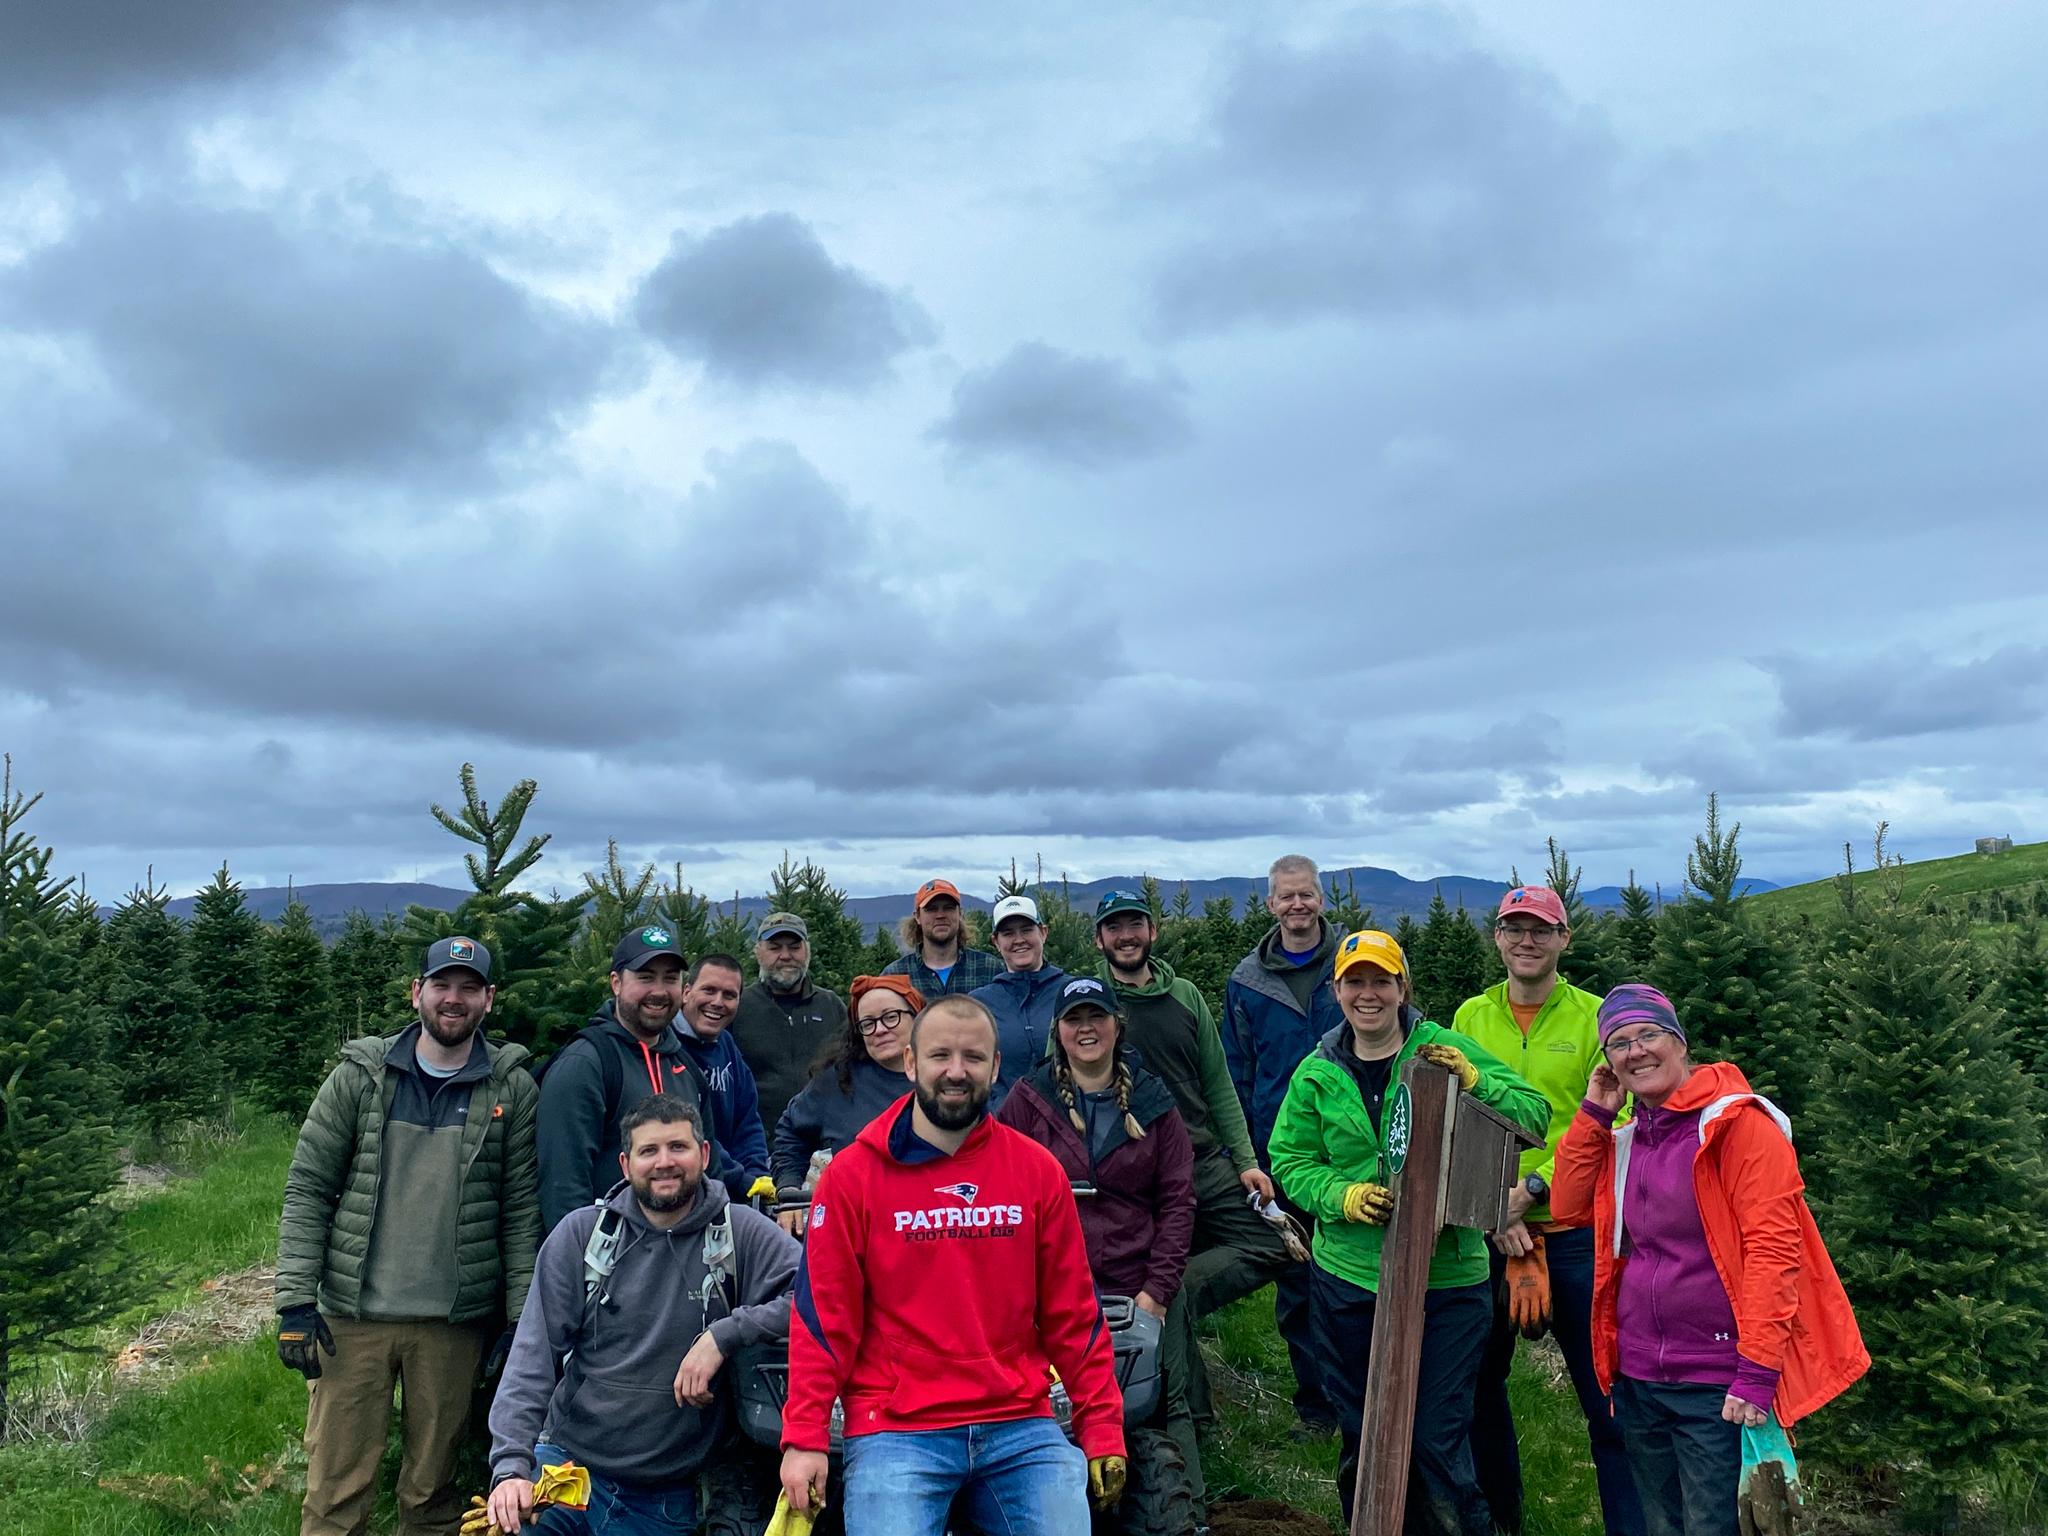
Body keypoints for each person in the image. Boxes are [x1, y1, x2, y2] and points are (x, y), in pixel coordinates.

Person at [779, 994, 1127, 1535]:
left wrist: (1101, 1425)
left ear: (995, 1067)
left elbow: (1075, 1314)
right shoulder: (851, 1178)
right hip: (895, 1430)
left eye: (972, 1057)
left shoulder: (1036, 1172)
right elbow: (824, 1319)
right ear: (912, 1063)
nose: (956, 1072)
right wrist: (804, 1438)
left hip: (1019, 1424)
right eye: (940, 1056)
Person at [1552, 986, 1868, 1536]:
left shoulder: (1738, 1126)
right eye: (1618, 1043)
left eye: (1648, 1035)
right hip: (1638, 1374)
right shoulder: (1627, 1136)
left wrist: (1757, 1371)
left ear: (1679, 1043)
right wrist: (1594, 1111)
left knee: (1713, 1525)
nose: (1635, 1052)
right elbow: (1567, 1203)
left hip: (1715, 1382)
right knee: (1661, 1523)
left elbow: (1774, 1251)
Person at [1268, 929, 1548, 1532]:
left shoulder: (1442, 1048)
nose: (1368, 994)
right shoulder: (1317, 1072)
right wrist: (1340, 1196)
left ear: (1402, 987)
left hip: (1446, 1283)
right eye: (1355, 982)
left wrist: (1477, 1081)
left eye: (1381, 981)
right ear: (1337, 991)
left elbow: (1533, 1115)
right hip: (1350, 1281)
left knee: (1434, 1441)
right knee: (1363, 1435)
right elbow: (1289, 1160)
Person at [276, 936, 540, 1536]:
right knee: (335, 1493)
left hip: (452, 1327)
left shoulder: (511, 1088)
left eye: (469, 988)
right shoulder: (360, 1078)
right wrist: (294, 1301)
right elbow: (307, 1188)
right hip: (352, 1321)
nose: (454, 999)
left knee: (431, 1495)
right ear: (417, 992)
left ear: (489, 999)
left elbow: (521, 1212)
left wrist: (521, 1323)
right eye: (441, 985)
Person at [484, 1094, 800, 1536]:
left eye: (678, 1147)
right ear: (625, 1163)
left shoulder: (740, 1232)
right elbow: (531, 1360)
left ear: (704, 1155)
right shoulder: (582, 1235)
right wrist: (511, 1469)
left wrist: (724, 1335)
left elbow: (819, 1295)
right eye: (649, 1151)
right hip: (566, 1472)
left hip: (669, 1495)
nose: (664, 1162)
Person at [1453, 886, 1644, 1536]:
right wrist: (1490, 1207)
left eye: (1541, 929)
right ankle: (1501, 1522)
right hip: (1487, 1236)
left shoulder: (1596, 1019)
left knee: (1607, 1399)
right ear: (1499, 938)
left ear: (1565, 939)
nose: (1526, 941)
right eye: (1515, 929)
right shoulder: (1470, 1018)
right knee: (1479, 1392)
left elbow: (1611, 1120)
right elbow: (1456, 1116)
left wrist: (1530, 1191)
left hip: (1574, 1235)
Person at [995, 976, 1204, 1504]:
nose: (1086, 1028)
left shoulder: (1155, 1102)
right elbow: (998, 1187)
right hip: (1048, 1287)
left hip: (1136, 1285)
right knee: (1041, 1402)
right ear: (1058, 1031)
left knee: (1162, 1400)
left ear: (1116, 1025)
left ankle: (1188, 1510)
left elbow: (1178, 1201)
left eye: (1097, 1017)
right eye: (1073, 1019)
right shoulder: (1027, 1101)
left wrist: (1157, 1292)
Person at [1223, 854, 1347, 1435]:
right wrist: (1251, 1155)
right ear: (1270, 904)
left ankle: (1369, 1394)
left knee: (1357, 1278)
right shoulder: (1247, 982)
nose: (1297, 906)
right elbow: (1237, 1073)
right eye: (1286, 897)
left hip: (1351, 1149)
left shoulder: (1355, 962)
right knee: (1297, 1283)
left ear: (1322, 898)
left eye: (1307, 895)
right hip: (1283, 1152)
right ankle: (1317, 1406)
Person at [537, 925, 717, 1233]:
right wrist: (584, 1265)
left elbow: (710, 1171)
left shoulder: (686, 1069)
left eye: (670, 978)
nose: (659, 991)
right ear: (616, 983)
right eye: (645, 977)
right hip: (608, 1264)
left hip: (683, 1261)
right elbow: (563, 1185)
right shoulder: (585, 1065)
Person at [770, 974, 924, 1229]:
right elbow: (790, 1133)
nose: (880, 1029)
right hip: (857, 1229)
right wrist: (789, 1191)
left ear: (917, 1016)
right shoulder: (838, 1081)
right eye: (868, 1023)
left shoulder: (944, 1077)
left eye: (890, 1017)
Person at [730, 912, 847, 1144]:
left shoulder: (831, 1006)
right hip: (759, 1147)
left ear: (807, 952)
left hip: (825, 1144)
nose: (785, 956)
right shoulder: (739, 1007)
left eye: (794, 947)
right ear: (758, 952)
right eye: (774, 948)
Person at [672, 953, 774, 1203]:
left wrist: (758, 1174)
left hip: (733, 1192)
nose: (718, 1002)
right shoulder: (667, 1047)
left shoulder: (726, 1045)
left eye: (729, 995)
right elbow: (688, 1132)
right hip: (686, 1194)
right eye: (709, 990)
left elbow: (747, 1119)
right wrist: (741, 1180)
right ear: (686, 992)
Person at [970, 894, 1067, 1106]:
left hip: (1070, 1128)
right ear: (996, 941)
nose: (1019, 939)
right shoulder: (979, 1004)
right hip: (1004, 1129)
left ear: (1043, 932)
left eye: (1026, 930)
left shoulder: (1071, 992)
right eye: (1008, 933)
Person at [883, 877, 1002, 998]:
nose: (940, 915)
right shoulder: (895, 976)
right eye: (931, 909)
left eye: (948, 908)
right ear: (917, 916)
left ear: (960, 914)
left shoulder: (990, 968)